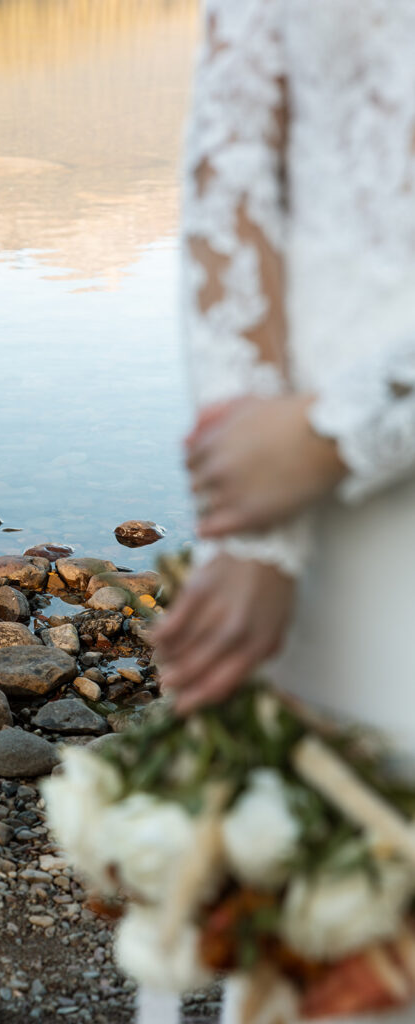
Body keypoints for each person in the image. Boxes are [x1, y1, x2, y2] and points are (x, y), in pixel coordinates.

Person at [153, 1, 415, 1022]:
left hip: (323, 449)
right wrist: (256, 530)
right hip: (316, 537)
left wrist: (344, 430)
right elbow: (229, 158)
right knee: (334, 949)